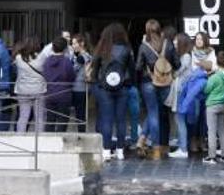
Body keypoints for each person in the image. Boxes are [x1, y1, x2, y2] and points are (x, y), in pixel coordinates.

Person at [135, 19, 178, 159]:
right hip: (165, 84)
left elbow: (138, 67)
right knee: (157, 112)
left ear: (147, 31)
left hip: (148, 83)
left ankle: (155, 148)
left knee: (153, 113)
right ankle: (145, 142)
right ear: (160, 30)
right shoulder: (168, 43)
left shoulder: (144, 46)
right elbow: (177, 63)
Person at [91, 23, 135, 160]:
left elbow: (95, 71)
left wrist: (98, 84)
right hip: (122, 88)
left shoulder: (102, 49)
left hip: (104, 89)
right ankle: (120, 150)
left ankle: (106, 150)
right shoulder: (127, 50)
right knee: (121, 119)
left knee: (106, 119)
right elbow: (132, 71)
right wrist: (128, 84)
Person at [203, 51, 224, 164]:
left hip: (212, 105)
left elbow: (206, 90)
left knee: (211, 131)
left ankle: (212, 156)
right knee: (222, 130)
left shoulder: (214, 77)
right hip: (223, 105)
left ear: (217, 62)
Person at [43, 36, 77, 132]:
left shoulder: (47, 61)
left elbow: (45, 75)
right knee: (63, 120)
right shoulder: (66, 61)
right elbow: (72, 77)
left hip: (50, 93)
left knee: (50, 120)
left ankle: (49, 143)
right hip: (64, 94)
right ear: (65, 48)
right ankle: (59, 141)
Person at [14, 37, 47, 133]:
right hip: (39, 90)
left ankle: (20, 138)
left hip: (22, 90)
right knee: (39, 117)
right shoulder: (41, 58)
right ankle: (39, 139)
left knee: (23, 116)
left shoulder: (18, 58)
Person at [169, 34, 193, 159]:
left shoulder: (186, 56)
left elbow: (178, 72)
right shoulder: (185, 56)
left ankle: (183, 149)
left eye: (176, 41)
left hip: (181, 92)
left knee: (179, 119)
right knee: (179, 119)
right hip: (181, 91)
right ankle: (181, 144)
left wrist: (171, 73)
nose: (174, 43)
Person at [71, 34, 92, 133]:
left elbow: (73, 71)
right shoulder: (88, 55)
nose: (73, 46)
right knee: (81, 113)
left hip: (78, 88)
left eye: (75, 43)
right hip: (84, 87)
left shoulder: (80, 58)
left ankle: (82, 134)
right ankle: (82, 133)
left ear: (82, 44)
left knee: (80, 114)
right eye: (72, 43)